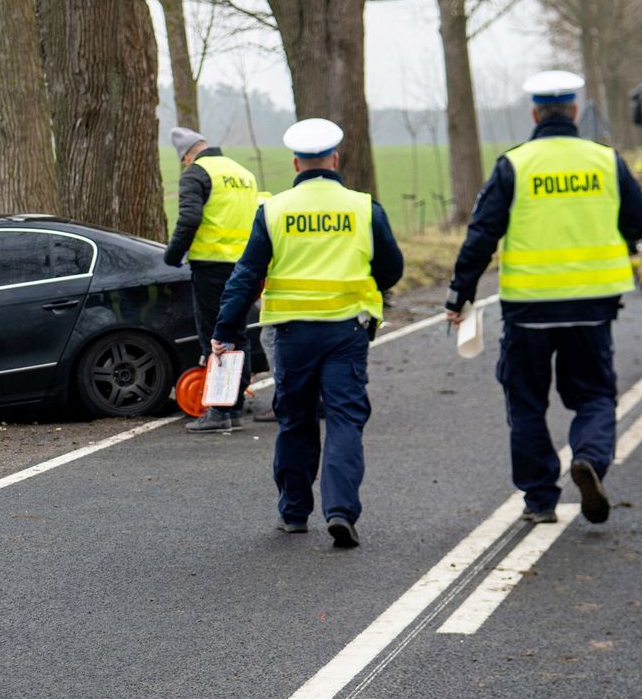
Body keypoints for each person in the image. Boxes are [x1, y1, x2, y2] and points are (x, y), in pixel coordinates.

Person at [445, 70, 642, 525]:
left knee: (527, 401)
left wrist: (460, 294)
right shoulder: (605, 161)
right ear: (574, 112)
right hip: (593, 306)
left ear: (535, 113)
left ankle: (539, 499)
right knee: (594, 394)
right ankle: (590, 456)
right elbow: (637, 219)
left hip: (528, 308)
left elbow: (482, 235)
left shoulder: (515, 164)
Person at [210, 118, 403, 548]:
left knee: (295, 420)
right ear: (335, 159)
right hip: (347, 332)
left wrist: (224, 329)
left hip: (293, 335)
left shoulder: (274, 210)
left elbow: (246, 276)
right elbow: (391, 268)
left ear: (296, 162)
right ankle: (341, 511)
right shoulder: (362, 207)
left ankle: (295, 512)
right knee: (344, 420)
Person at [163, 127, 259, 433]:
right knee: (238, 332)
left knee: (215, 335)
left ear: (188, 155)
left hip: (212, 266)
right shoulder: (242, 173)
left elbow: (189, 218)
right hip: (245, 266)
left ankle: (219, 410)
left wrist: (172, 255)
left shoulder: (197, 173)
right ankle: (235, 405)